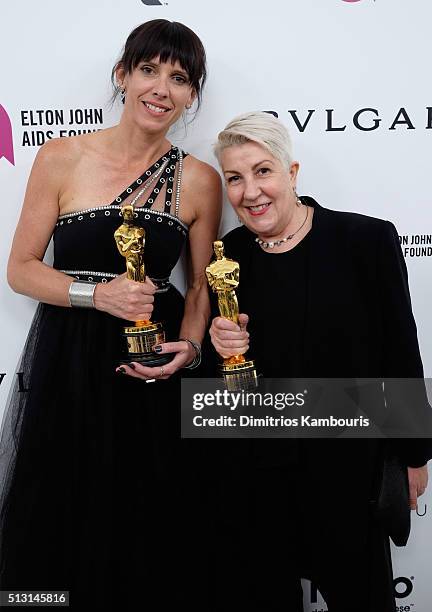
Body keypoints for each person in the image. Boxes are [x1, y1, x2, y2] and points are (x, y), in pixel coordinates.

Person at [0, 20, 221, 611]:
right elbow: (20, 269)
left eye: (180, 78)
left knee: (151, 518)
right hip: (69, 363)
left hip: (154, 367)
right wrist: (96, 296)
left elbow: (200, 285)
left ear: (192, 94)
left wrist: (192, 347)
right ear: (122, 76)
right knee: (60, 513)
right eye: (149, 70)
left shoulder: (200, 180)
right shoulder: (61, 157)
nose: (162, 89)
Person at [206, 111, 431, 612]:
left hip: (348, 468)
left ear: (292, 172)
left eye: (263, 171)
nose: (250, 191)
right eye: (235, 178)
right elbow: (225, 382)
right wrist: (219, 349)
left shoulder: (366, 241)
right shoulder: (228, 255)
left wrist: (414, 454)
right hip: (258, 472)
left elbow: (400, 348)